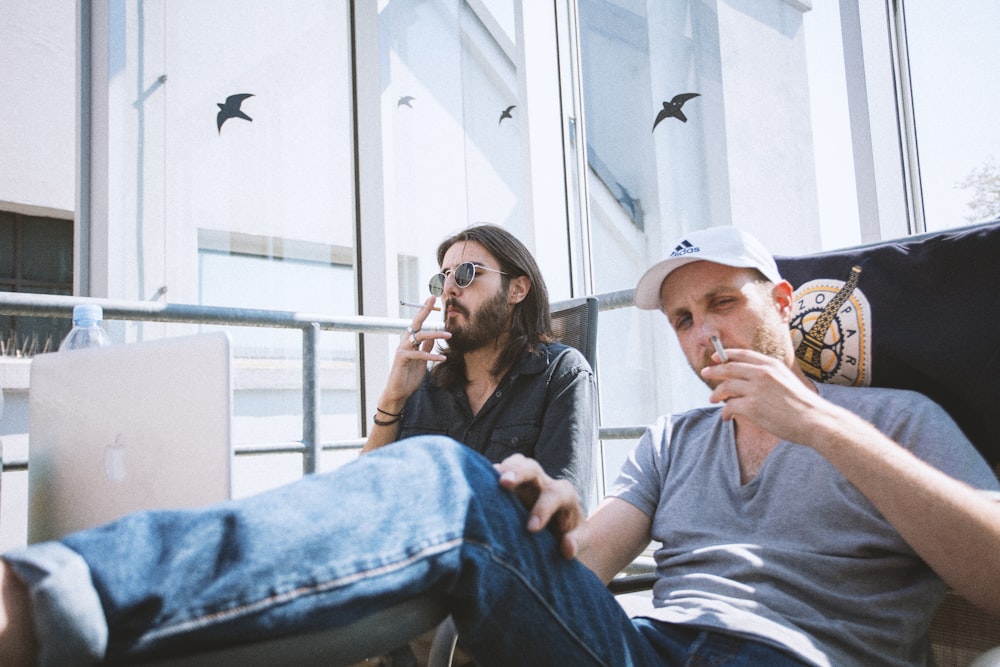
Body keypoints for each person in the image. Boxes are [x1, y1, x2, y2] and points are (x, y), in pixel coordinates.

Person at [3, 226, 1000, 666]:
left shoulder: (896, 420)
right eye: (684, 319)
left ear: (781, 304)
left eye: (723, 304)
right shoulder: (674, 437)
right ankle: (43, 603)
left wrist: (815, 422)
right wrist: (545, 523)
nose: (703, 337)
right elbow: (584, 562)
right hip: (639, 647)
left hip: (789, 657)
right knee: (453, 479)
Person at [361, 223, 596, 507]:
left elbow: (564, 513)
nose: (448, 289)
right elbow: (365, 492)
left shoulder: (561, 373)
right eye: (443, 277)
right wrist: (393, 399)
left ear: (517, 289)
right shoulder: (426, 382)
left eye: (466, 274)